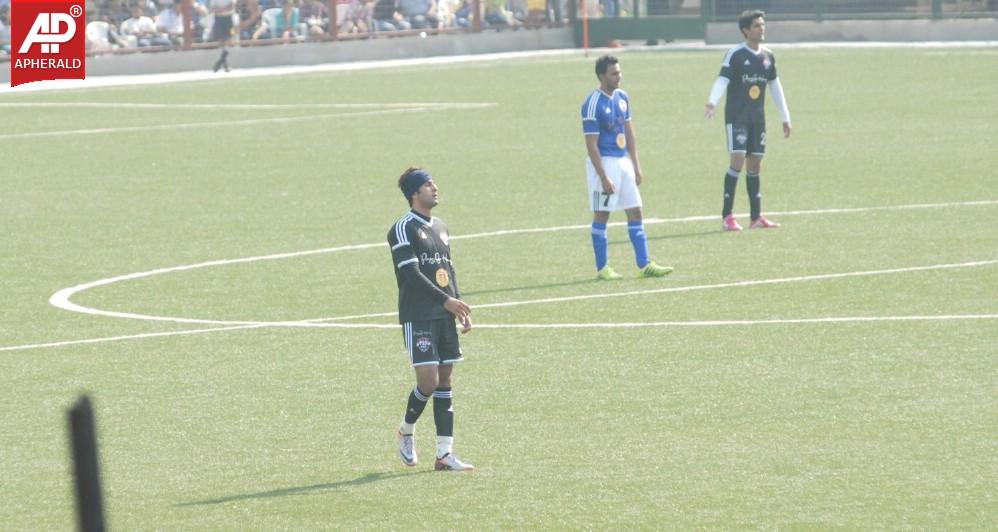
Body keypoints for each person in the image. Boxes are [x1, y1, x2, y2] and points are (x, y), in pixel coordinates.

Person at [387, 167, 474, 472]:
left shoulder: (441, 227)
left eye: (434, 182)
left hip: (443, 314)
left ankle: (445, 454)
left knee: (445, 380)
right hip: (419, 315)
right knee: (428, 380)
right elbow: (410, 275)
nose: (434, 187)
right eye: (427, 184)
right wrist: (446, 300)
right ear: (414, 193)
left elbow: (447, 270)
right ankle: (406, 429)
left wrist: (458, 305)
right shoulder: (402, 228)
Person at [581, 55, 672, 281]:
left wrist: (636, 165)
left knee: (635, 210)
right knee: (602, 215)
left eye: (619, 72)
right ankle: (603, 268)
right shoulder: (592, 103)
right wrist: (603, 177)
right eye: (614, 73)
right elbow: (591, 145)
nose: (618, 77)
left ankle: (644, 264)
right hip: (604, 162)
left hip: (623, 162)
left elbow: (629, 133)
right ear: (602, 76)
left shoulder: (622, 97)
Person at [705, 9, 791, 231]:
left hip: (757, 119)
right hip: (737, 117)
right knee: (737, 159)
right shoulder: (735, 54)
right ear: (745, 30)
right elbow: (722, 80)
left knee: (755, 164)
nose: (762, 28)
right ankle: (727, 216)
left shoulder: (768, 56)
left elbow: (775, 86)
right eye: (757, 26)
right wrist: (712, 101)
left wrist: (785, 116)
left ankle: (756, 217)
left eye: (763, 24)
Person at [209, 0, 236, 72]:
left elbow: (231, 6)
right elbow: (212, 9)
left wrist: (219, 9)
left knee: (229, 41)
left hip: (229, 18)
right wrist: (224, 9)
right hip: (218, 19)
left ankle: (220, 62)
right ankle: (225, 65)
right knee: (221, 42)